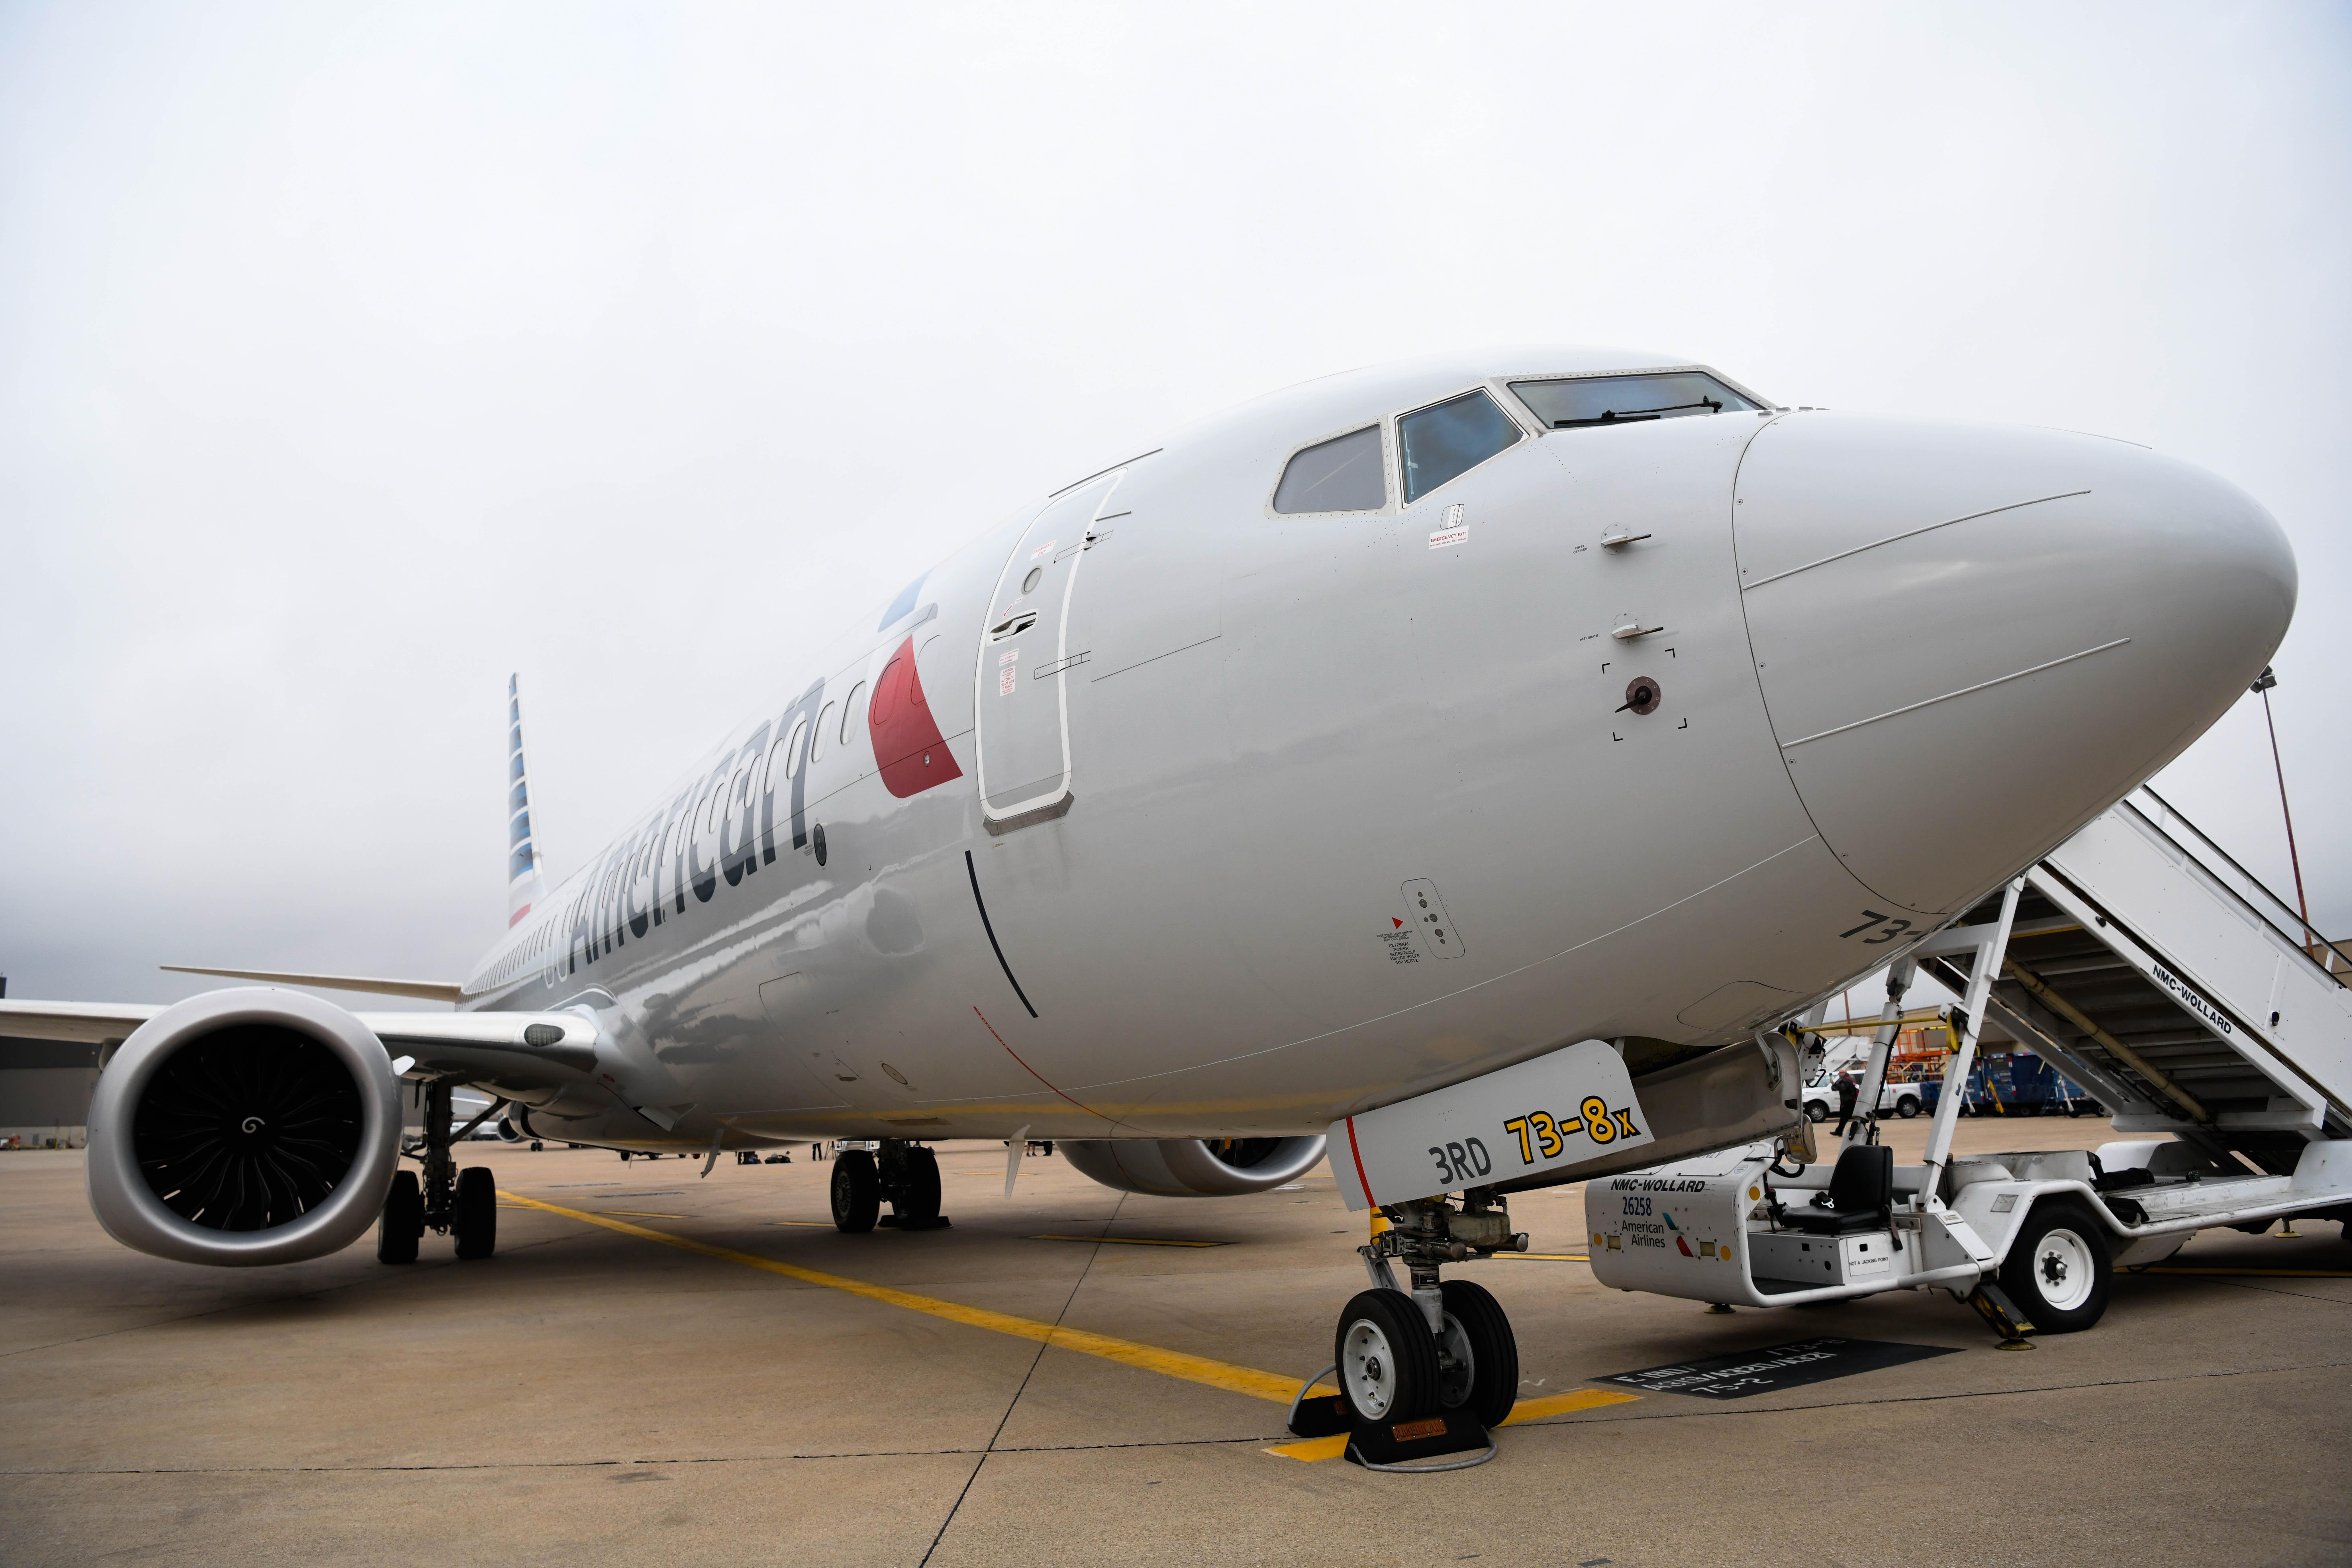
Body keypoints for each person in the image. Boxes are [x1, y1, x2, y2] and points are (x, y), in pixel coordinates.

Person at [1832, 1069, 1861, 1137]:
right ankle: (1839, 1131)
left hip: (1848, 1102)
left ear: (1844, 1073)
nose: (1839, 1075)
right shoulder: (1850, 1079)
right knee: (1852, 1117)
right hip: (1851, 1101)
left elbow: (1843, 1089)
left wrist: (1834, 1084)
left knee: (1844, 1118)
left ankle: (1839, 1131)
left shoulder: (1846, 1080)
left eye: (1841, 1073)